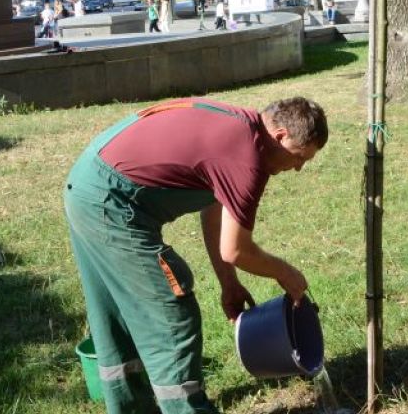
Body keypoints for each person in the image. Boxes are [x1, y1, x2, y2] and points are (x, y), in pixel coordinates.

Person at [64, 96, 328, 414]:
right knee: (171, 316)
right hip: (112, 203)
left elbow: (214, 211)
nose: (297, 168)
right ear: (281, 135)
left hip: (87, 182)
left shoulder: (241, 128)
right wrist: (286, 273)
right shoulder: (248, 158)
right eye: (299, 158)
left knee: (118, 317)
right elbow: (236, 249)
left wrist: (228, 283)